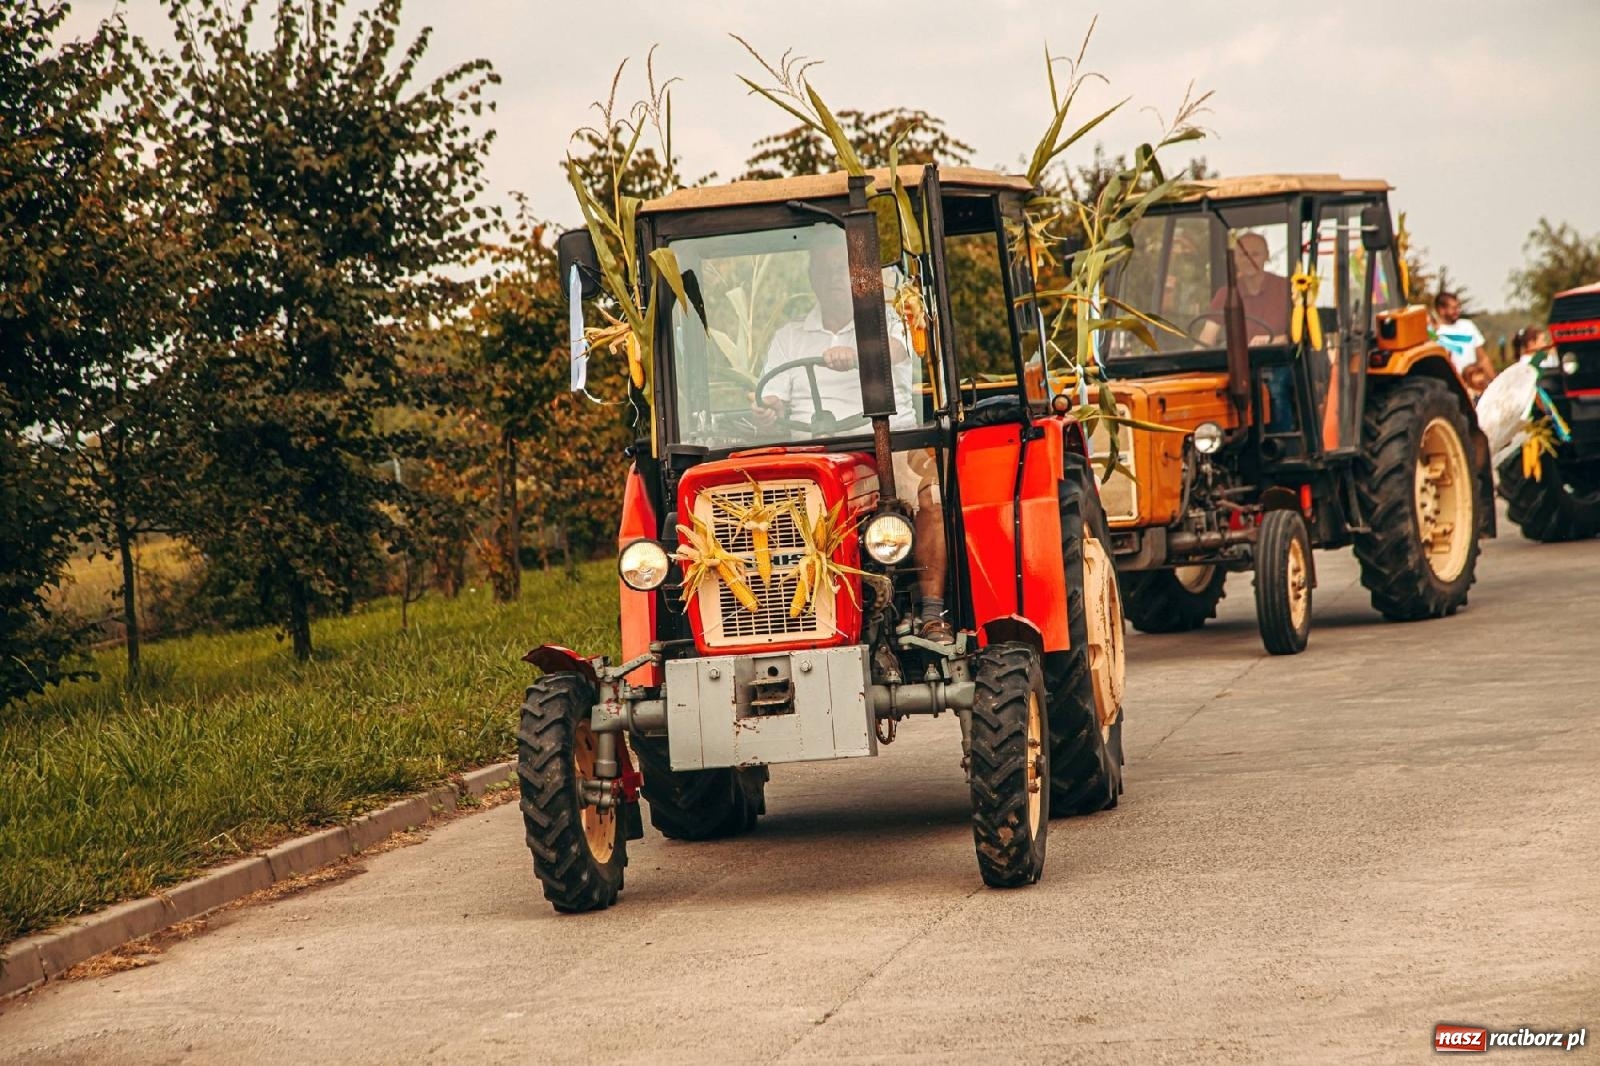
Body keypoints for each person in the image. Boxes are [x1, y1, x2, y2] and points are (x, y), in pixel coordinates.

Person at [752, 239, 952, 643]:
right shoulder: (790, 336)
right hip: (813, 453)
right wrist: (768, 406)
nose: (830, 280)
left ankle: (931, 612)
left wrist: (860, 352)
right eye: (821, 271)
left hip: (887, 444)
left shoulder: (887, 320)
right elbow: (772, 391)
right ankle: (778, 615)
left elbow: (899, 349)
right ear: (811, 279)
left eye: (837, 271)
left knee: (930, 496)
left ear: (855, 277)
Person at [1197, 232, 1290, 347]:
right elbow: (1206, 338)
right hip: (1238, 362)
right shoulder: (1226, 294)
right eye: (1243, 255)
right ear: (1235, 259)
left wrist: (1275, 340)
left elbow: (1303, 336)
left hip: (1281, 361)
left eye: (1255, 254)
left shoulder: (1286, 288)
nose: (1248, 260)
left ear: (1266, 256)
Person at [1434, 291, 1497, 393]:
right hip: (1457, 388)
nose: (1457, 311)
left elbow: (1483, 358)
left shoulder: (1468, 326)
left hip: (1476, 382)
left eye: (1458, 307)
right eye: (1453, 308)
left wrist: (1494, 382)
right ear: (1441, 310)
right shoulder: (1438, 335)